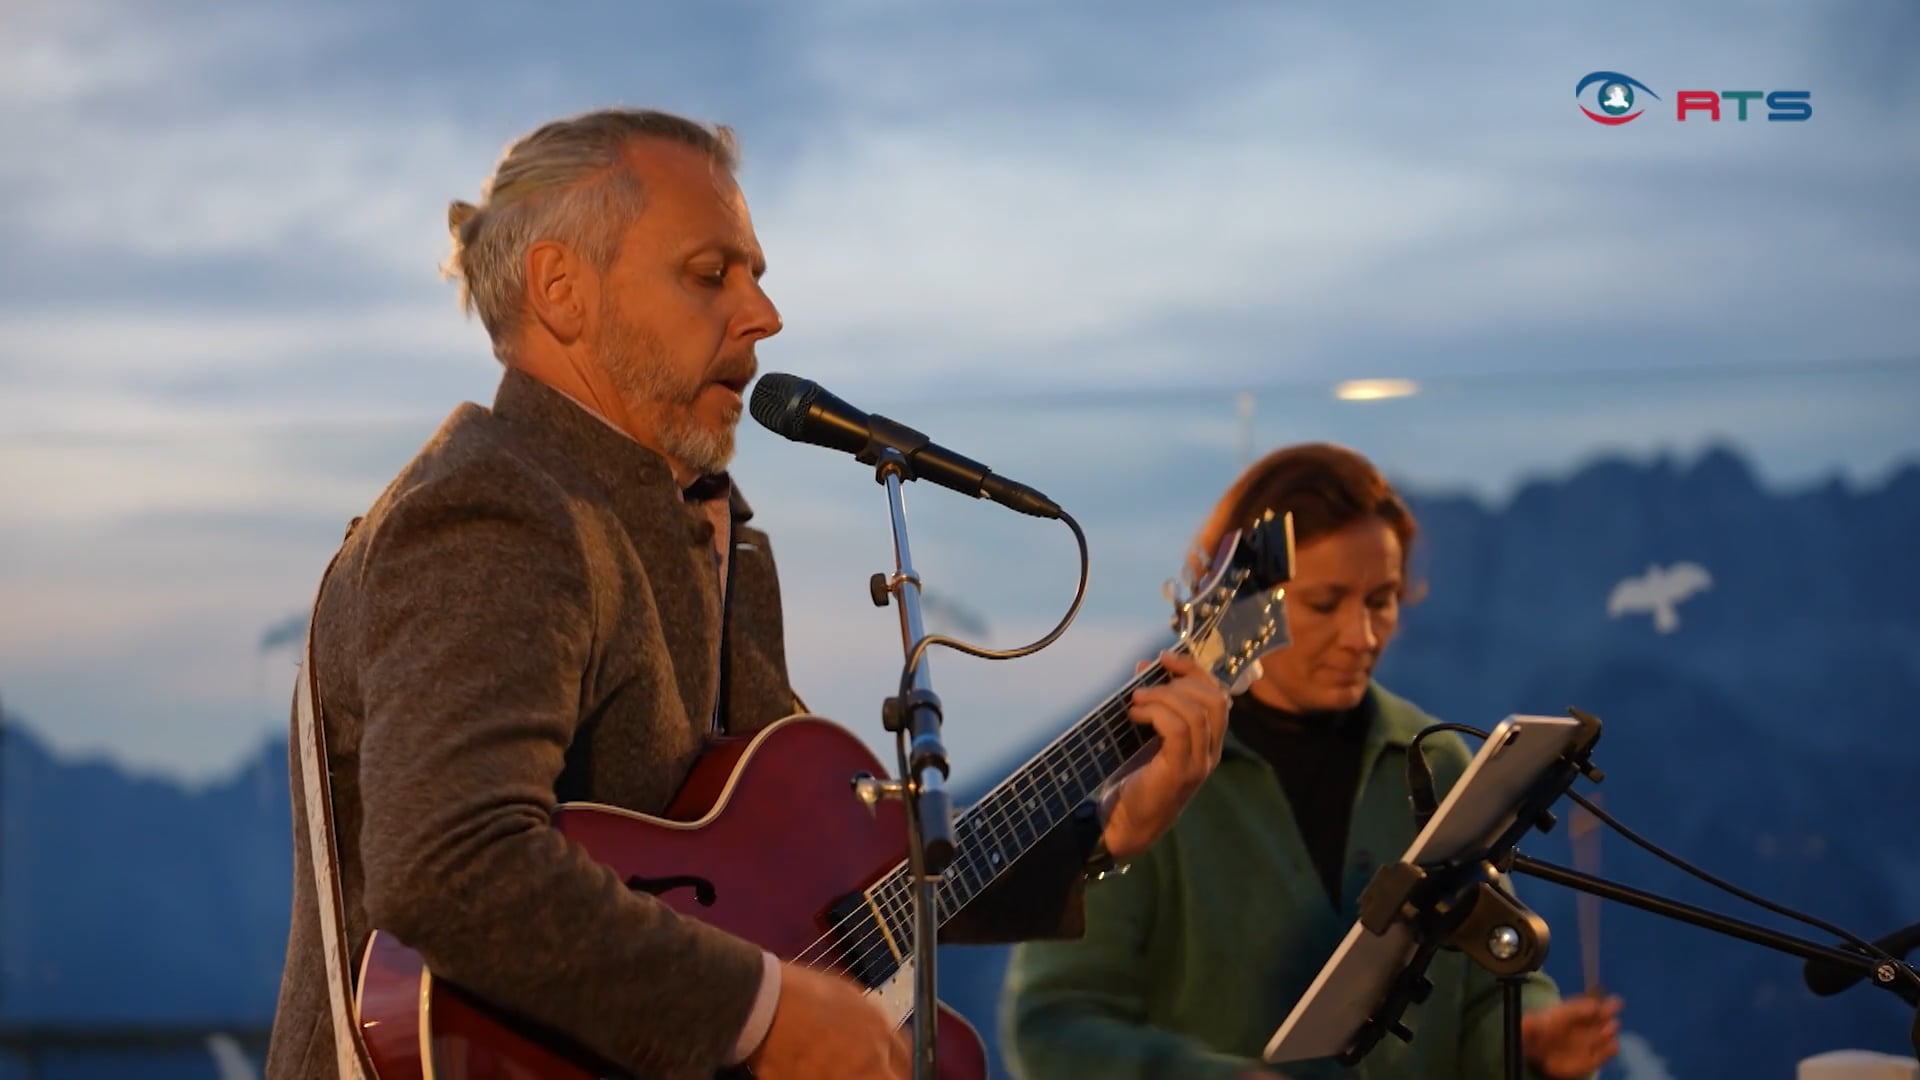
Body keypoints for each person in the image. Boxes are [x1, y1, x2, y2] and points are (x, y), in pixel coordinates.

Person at [263, 107, 1233, 1080]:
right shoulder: (498, 506)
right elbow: (451, 863)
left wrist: (1099, 832)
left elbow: (821, 898)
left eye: (757, 277)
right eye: (710, 274)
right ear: (562, 287)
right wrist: (762, 1014)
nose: (763, 315)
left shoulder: (710, 536)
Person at [999, 443, 1624, 1079]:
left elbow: (1486, 977)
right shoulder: (1146, 774)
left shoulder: (1432, 756)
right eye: (1325, 604)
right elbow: (1051, 1025)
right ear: (1244, 604)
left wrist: (1534, 1038)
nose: (1362, 635)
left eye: (1382, 600)